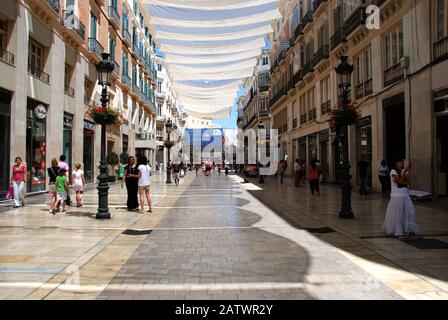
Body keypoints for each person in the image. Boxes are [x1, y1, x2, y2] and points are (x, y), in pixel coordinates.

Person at [382, 159, 420, 239]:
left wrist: (404, 176)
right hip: (397, 196)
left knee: (410, 211)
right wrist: (403, 177)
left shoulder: (403, 171)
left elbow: (408, 182)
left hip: (405, 194)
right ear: (396, 163)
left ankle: (409, 230)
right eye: (400, 161)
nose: (402, 163)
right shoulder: (393, 171)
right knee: (398, 214)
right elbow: (399, 182)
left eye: (402, 161)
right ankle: (399, 232)